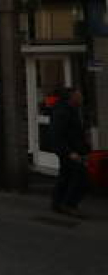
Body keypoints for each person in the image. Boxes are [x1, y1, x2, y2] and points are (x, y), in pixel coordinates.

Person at [50, 87, 91, 218]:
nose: (82, 98)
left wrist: (84, 148)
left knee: (65, 176)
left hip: (73, 151)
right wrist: (69, 152)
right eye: (79, 96)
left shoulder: (72, 110)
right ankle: (69, 205)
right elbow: (58, 135)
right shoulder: (62, 112)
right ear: (72, 98)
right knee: (82, 178)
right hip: (68, 152)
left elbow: (75, 132)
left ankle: (57, 203)